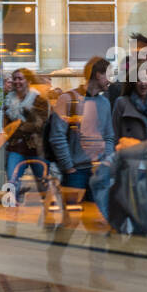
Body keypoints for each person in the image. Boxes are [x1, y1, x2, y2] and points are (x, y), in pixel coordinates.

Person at [47, 56, 116, 192]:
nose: (110, 80)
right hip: (76, 172)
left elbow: (108, 136)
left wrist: (106, 162)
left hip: (99, 170)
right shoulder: (67, 99)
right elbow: (57, 136)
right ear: (98, 75)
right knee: (74, 211)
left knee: (99, 212)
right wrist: (68, 167)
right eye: (108, 75)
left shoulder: (105, 103)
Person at [2, 68, 50, 184]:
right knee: (12, 182)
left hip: (37, 149)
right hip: (16, 148)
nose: (17, 81)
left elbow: (39, 125)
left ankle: (48, 202)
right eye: (15, 79)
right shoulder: (8, 100)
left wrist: (17, 125)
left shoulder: (38, 99)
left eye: (20, 78)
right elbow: (6, 127)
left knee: (44, 184)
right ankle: (15, 201)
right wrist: (22, 126)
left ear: (28, 81)